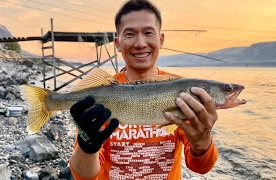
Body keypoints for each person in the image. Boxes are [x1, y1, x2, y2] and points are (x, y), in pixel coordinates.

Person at [69, 0, 218, 179]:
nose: (140, 43)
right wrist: (87, 146)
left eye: (148, 33)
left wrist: (203, 139)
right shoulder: (102, 92)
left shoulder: (184, 91)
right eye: (130, 34)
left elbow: (200, 167)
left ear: (161, 39)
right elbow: (84, 176)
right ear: (117, 43)